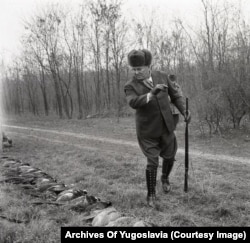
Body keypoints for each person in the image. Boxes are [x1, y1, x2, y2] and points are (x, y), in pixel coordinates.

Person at [124, 49, 191, 207]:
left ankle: (165, 178)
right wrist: (150, 95)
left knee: (169, 156)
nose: (136, 72)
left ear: (148, 66)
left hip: (167, 126)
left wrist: (184, 111)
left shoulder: (162, 76)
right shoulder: (130, 85)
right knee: (152, 161)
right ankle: (151, 195)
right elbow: (133, 102)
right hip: (147, 131)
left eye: (139, 69)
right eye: (133, 69)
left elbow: (175, 95)